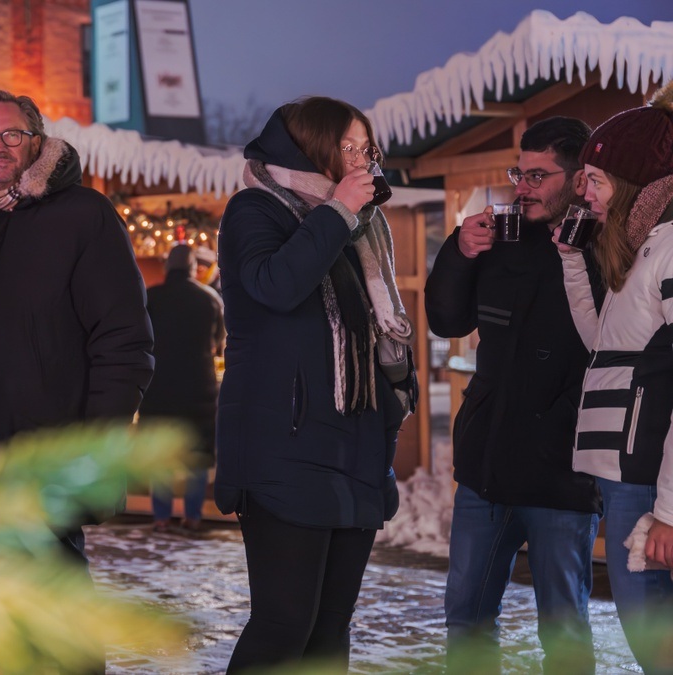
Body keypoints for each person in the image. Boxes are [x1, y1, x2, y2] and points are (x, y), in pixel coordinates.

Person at [0, 89, 154, 563]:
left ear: (37, 141)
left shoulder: (85, 215)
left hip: (52, 449)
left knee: (54, 596)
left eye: (11, 134)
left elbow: (125, 341)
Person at [214, 96, 417, 672]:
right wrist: (336, 213)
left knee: (330, 630)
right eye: (347, 147)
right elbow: (274, 287)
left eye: (365, 148)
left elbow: (373, 330)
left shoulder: (357, 228)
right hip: (285, 446)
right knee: (284, 625)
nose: (360, 160)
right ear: (312, 147)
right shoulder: (256, 209)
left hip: (352, 448)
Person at [425, 116, 602, 672]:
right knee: (466, 615)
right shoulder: (499, 238)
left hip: (563, 469)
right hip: (488, 466)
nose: (521, 186)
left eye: (538, 175)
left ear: (577, 179)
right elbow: (445, 320)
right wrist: (458, 250)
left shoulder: (605, 248)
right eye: (518, 173)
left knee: (564, 624)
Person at [555, 83, 673, 673]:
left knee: (655, 646)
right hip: (622, 475)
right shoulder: (642, 248)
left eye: (596, 181)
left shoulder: (672, 247)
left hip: (646, 480)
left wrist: (671, 509)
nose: (587, 195)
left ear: (632, 185)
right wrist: (573, 262)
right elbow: (600, 347)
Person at [141, 244, 224, 534]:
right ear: (193, 268)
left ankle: (161, 517)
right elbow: (219, 344)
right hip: (198, 389)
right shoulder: (210, 299)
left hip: (157, 388)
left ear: (167, 268)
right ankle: (193, 516)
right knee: (198, 456)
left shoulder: (149, 298)